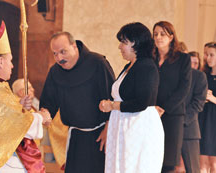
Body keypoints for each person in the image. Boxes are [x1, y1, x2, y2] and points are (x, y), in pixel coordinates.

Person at [0, 21, 51, 172]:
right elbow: (17, 124)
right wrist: (41, 117)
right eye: (10, 60)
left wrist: (18, 105)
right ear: (0, 61)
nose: (12, 65)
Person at [40, 32, 115, 173]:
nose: (59, 58)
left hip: (99, 135)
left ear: (74, 46)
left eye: (63, 52)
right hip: (75, 136)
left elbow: (111, 97)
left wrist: (108, 128)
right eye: (55, 54)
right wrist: (45, 113)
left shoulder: (98, 63)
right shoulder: (55, 72)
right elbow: (49, 101)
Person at [99, 22, 164, 173]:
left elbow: (143, 102)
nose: (120, 47)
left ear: (136, 43)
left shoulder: (147, 66)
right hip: (123, 125)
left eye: (124, 42)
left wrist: (112, 106)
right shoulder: (130, 66)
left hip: (138, 127)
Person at [153, 21, 192, 173]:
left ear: (171, 37)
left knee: (168, 162)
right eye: (155, 34)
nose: (158, 37)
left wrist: (164, 108)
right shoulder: (150, 59)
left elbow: (184, 88)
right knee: (152, 157)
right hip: (151, 113)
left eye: (162, 34)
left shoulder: (183, 59)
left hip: (172, 115)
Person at [176, 51, 207, 173]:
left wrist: (181, 120)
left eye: (195, 63)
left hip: (189, 130)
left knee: (193, 169)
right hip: (170, 129)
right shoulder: (173, 75)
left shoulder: (199, 76)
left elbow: (198, 104)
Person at [199, 42, 216, 173]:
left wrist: (212, 98)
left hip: (214, 121)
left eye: (211, 55)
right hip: (203, 120)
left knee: (214, 163)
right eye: (206, 54)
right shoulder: (202, 75)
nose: (207, 58)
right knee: (202, 162)